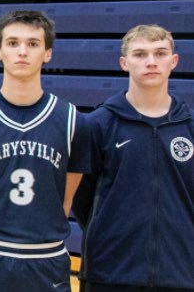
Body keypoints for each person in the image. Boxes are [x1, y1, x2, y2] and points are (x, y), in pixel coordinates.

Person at [0, 11, 93, 292]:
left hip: (46, 258)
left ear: (47, 53)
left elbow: (65, 200)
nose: (22, 52)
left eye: (33, 43)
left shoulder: (72, 121)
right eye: (13, 43)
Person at [73, 24, 193, 292]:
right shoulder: (96, 126)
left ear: (174, 61)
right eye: (140, 54)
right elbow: (83, 203)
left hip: (181, 275)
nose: (151, 62)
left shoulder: (190, 127)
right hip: (109, 275)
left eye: (160, 53)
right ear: (124, 63)